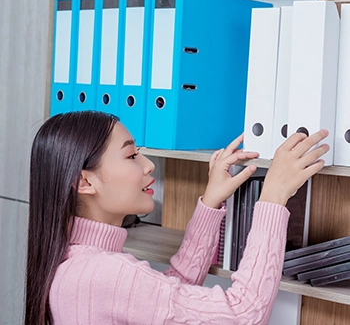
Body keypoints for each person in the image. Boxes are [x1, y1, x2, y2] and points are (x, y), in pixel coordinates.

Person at [24, 110, 329, 325]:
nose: (148, 166)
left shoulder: (75, 262)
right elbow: (244, 314)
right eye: (131, 156)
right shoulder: (105, 273)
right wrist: (274, 196)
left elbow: (163, 299)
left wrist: (210, 202)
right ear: (85, 182)